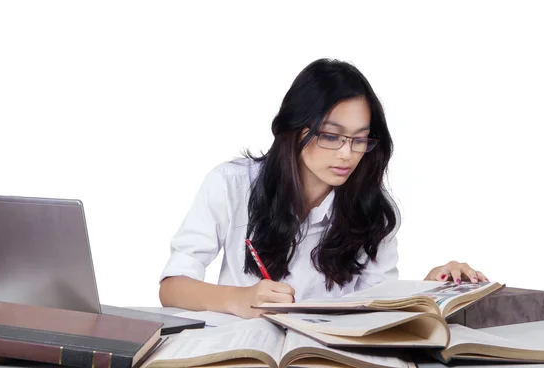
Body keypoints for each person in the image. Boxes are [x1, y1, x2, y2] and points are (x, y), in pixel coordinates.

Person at [158, 58, 488, 319]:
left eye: (359, 139)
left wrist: (428, 288)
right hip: (246, 351)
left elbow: (378, 309)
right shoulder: (231, 185)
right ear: (294, 129)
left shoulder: (374, 211)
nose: (347, 153)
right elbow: (172, 288)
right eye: (331, 136)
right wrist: (237, 298)